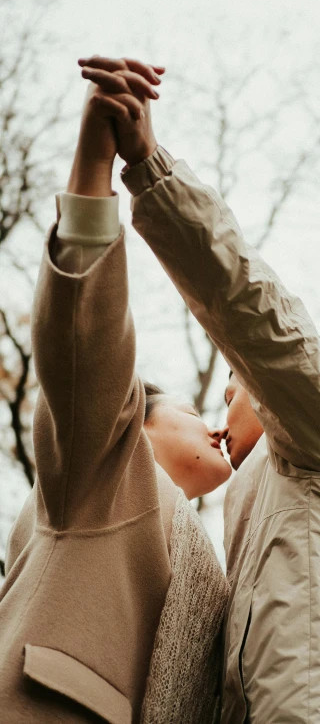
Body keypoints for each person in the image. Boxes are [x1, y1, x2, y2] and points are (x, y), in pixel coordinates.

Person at [78, 55, 320, 723]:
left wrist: (148, 168)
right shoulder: (276, 493)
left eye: (228, 390)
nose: (223, 409)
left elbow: (251, 309)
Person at [0, 71, 232, 723]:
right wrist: (97, 158)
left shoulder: (197, 552)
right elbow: (86, 338)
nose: (215, 427)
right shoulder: (103, 466)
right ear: (136, 422)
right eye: (193, 410)